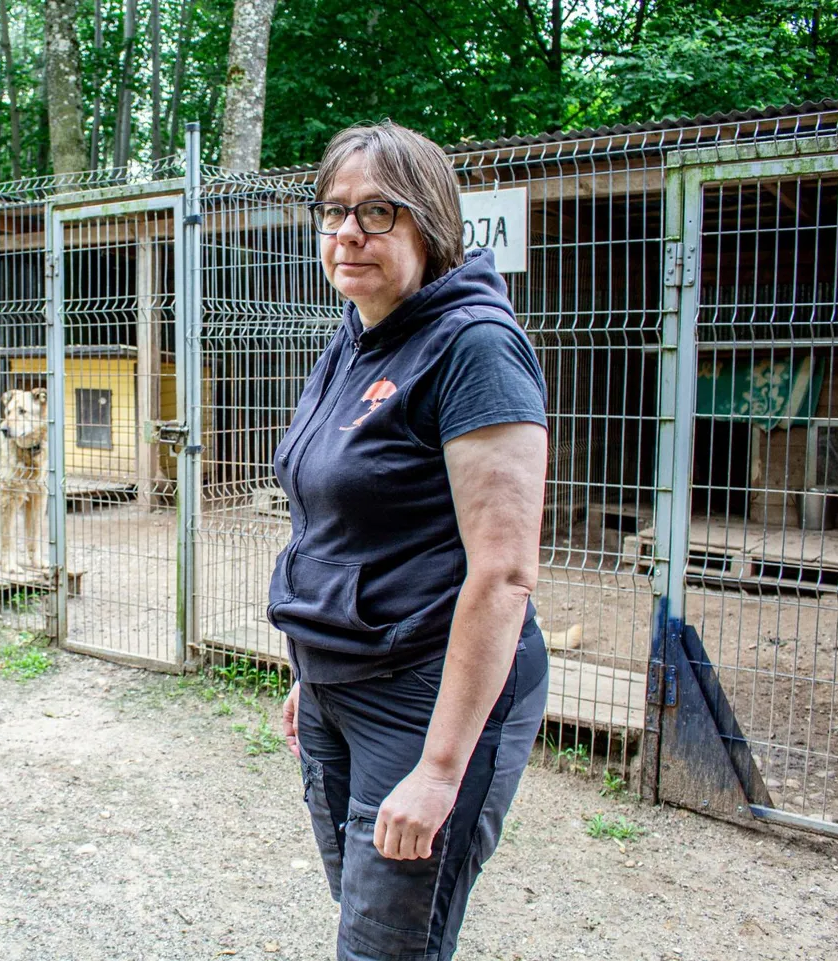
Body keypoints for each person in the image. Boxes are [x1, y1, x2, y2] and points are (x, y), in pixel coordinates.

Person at [272, 121, 550, 961]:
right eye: (334, 211)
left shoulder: (474, 348)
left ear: (430, 223)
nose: (348, 231)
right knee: (374, 923)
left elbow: (503, 575)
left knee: (387, 948)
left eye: (378, 211)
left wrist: (438, 769)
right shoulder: (356, 336)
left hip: (425, 693)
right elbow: (334, 521)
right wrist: (309, 672)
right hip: (336, 689)